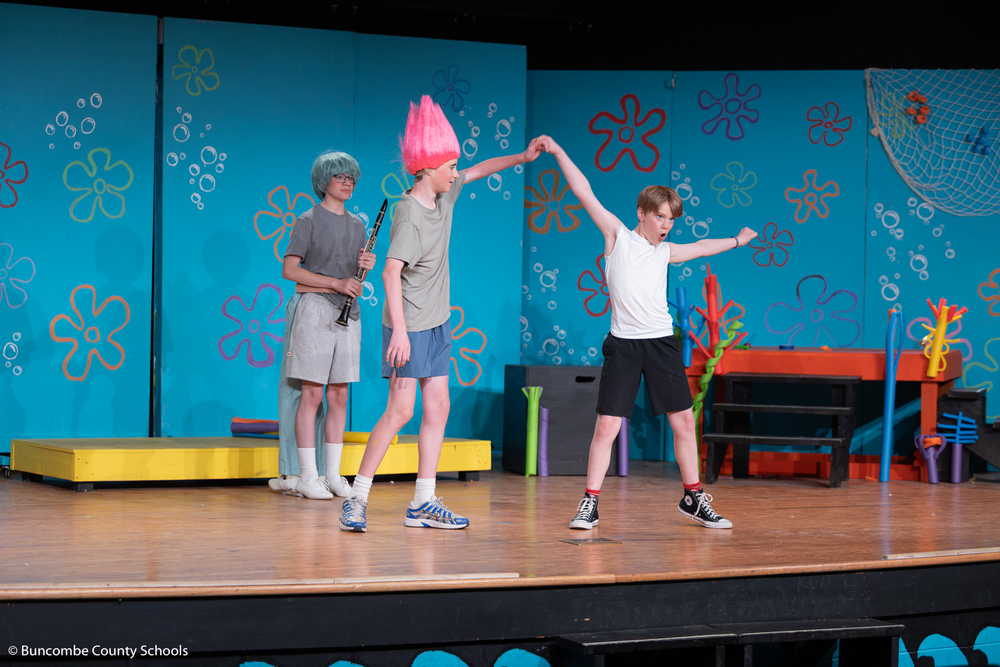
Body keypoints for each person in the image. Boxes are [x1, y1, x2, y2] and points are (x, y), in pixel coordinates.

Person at [340, 96, 543, 532]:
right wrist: (398, 332)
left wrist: (523, 157)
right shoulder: (408, 214)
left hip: (436, 321)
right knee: (400, 411)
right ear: (428, 168)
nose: (456, 172)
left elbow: (481, 169)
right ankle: (356, 497)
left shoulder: (444, 195)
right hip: (409, 324)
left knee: (438, 406)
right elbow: (391, 273)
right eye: (450, 166)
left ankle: (423, 501)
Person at [535, 136, 756, 531]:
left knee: (683, 422)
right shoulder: (617, 236)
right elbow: (583, 191)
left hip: (661, 344)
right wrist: (559, 151)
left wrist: (738, 240)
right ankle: (590, 502)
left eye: (671, 220)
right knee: (607, 425)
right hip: (623, 345)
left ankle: (693, 498)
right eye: (660, 217)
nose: (666, 226)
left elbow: (703, 247)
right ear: (642, 213)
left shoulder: (665, 252)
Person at [268, 150, 375, 500]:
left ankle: (332, 474)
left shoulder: (357, 225)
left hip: (348, 314)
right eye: (340, 177)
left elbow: (351, 275)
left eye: (351, 178)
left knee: (339, 394)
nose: (347, 183)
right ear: (323, 182)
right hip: (315, 309)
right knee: (312, 393)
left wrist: (364, 266)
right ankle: (307, 476)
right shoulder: (308, 220)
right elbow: (290, 270)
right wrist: (335, 283)